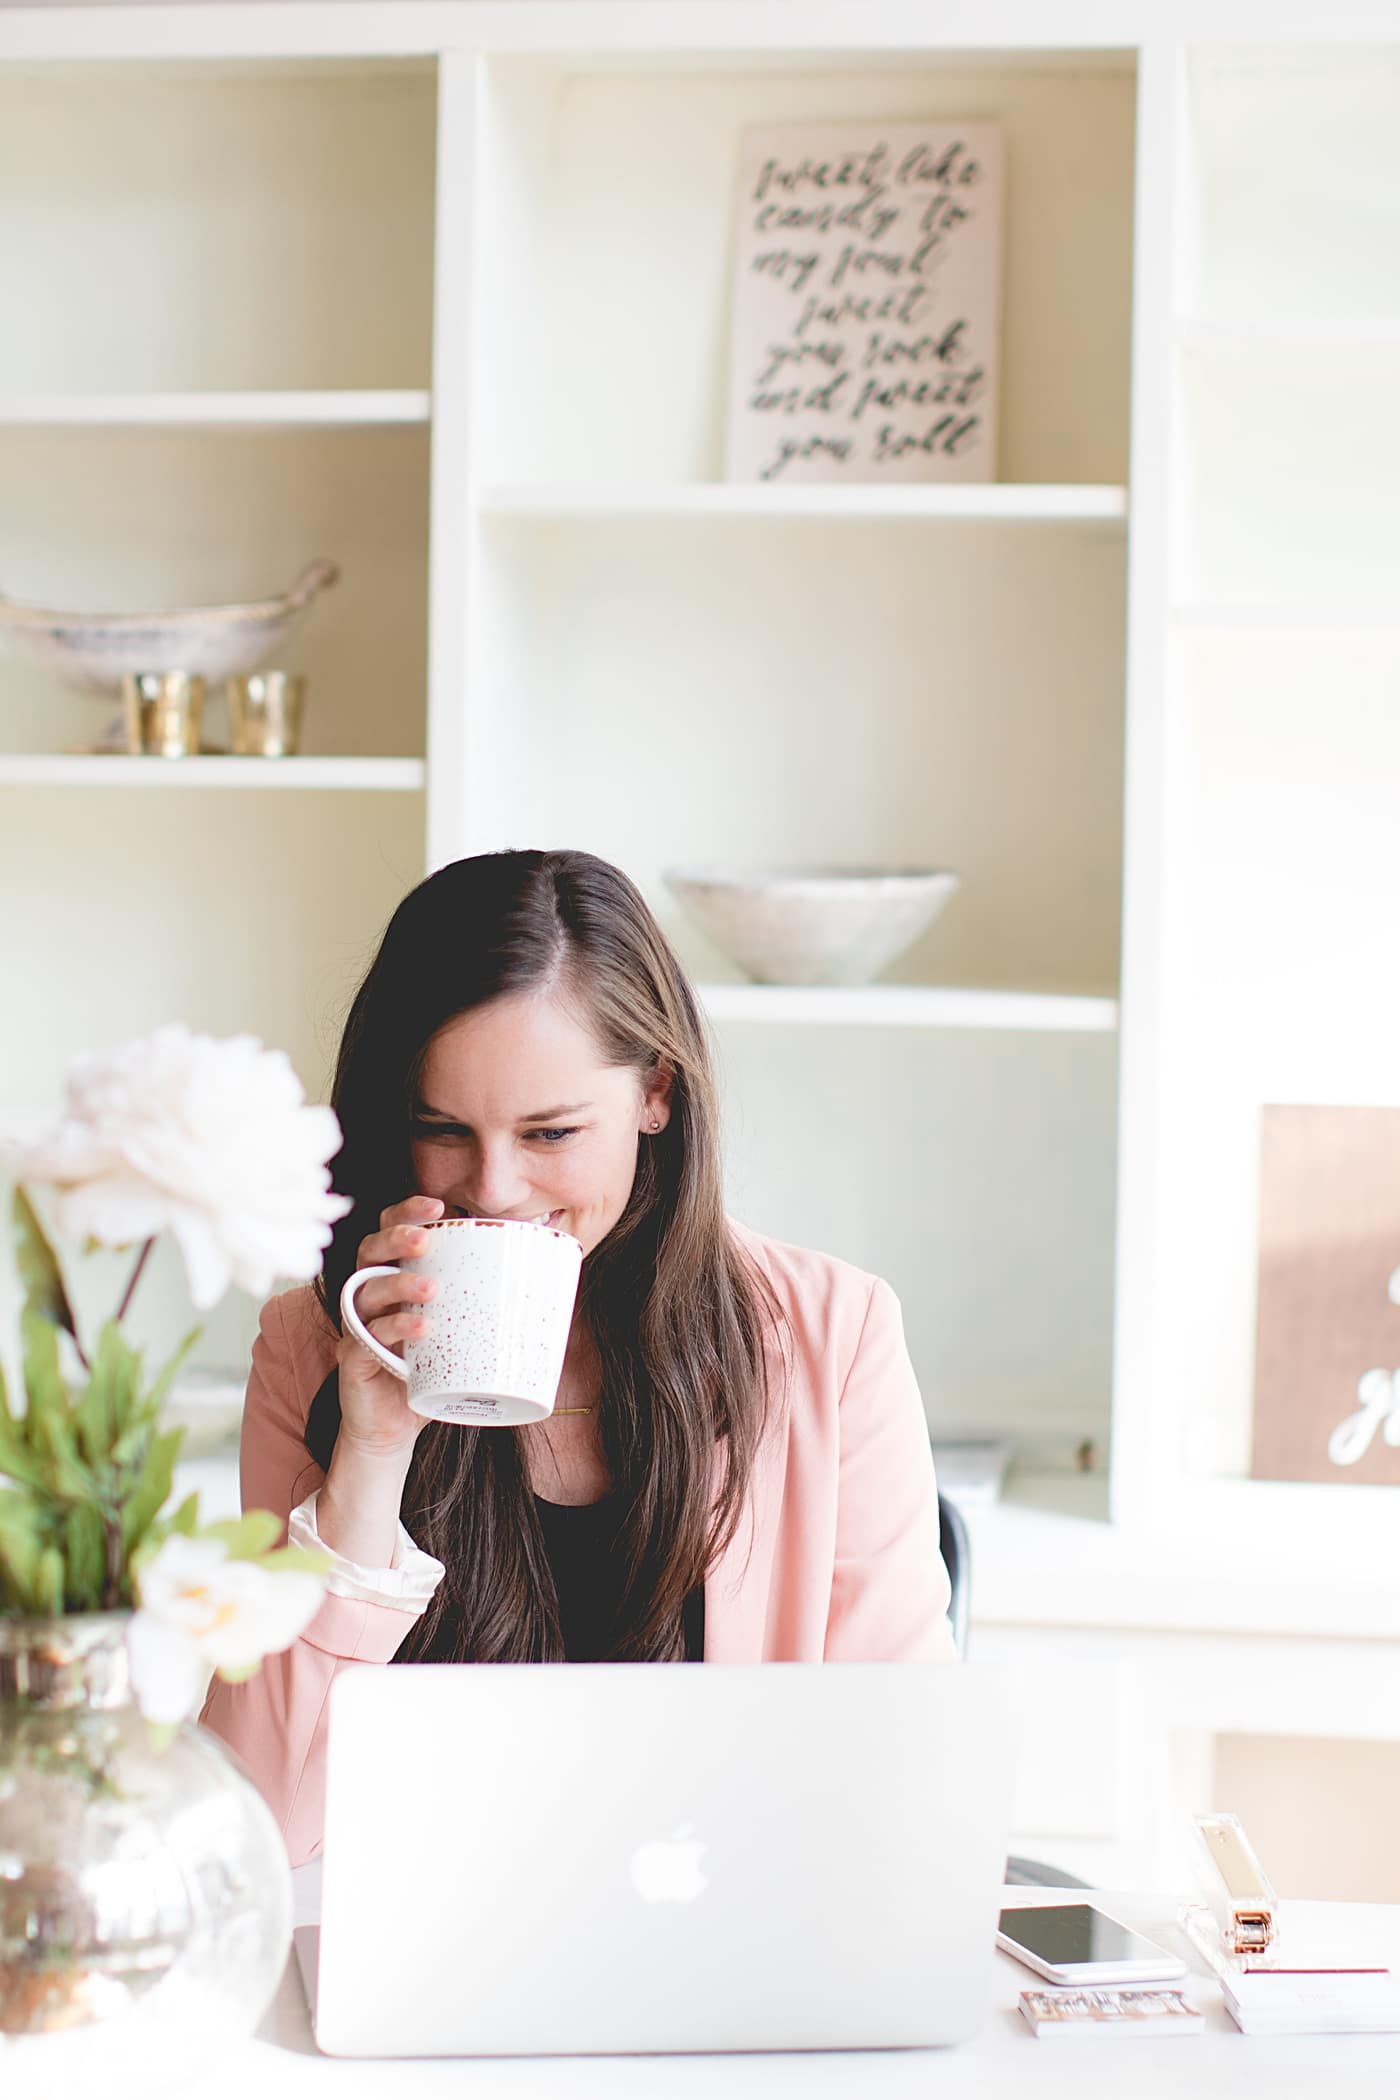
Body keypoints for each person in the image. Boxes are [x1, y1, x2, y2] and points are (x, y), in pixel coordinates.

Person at [201, 849, 956, 1864]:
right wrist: (371, 1454)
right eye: (443, 1131)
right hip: (425, 1948)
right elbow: (260, 1824)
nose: (495, 1188)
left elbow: (899, 1776)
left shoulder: (832, 1336)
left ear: (656, 1091)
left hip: (723, 1951)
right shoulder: (314, 1347)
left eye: (550, 1133)